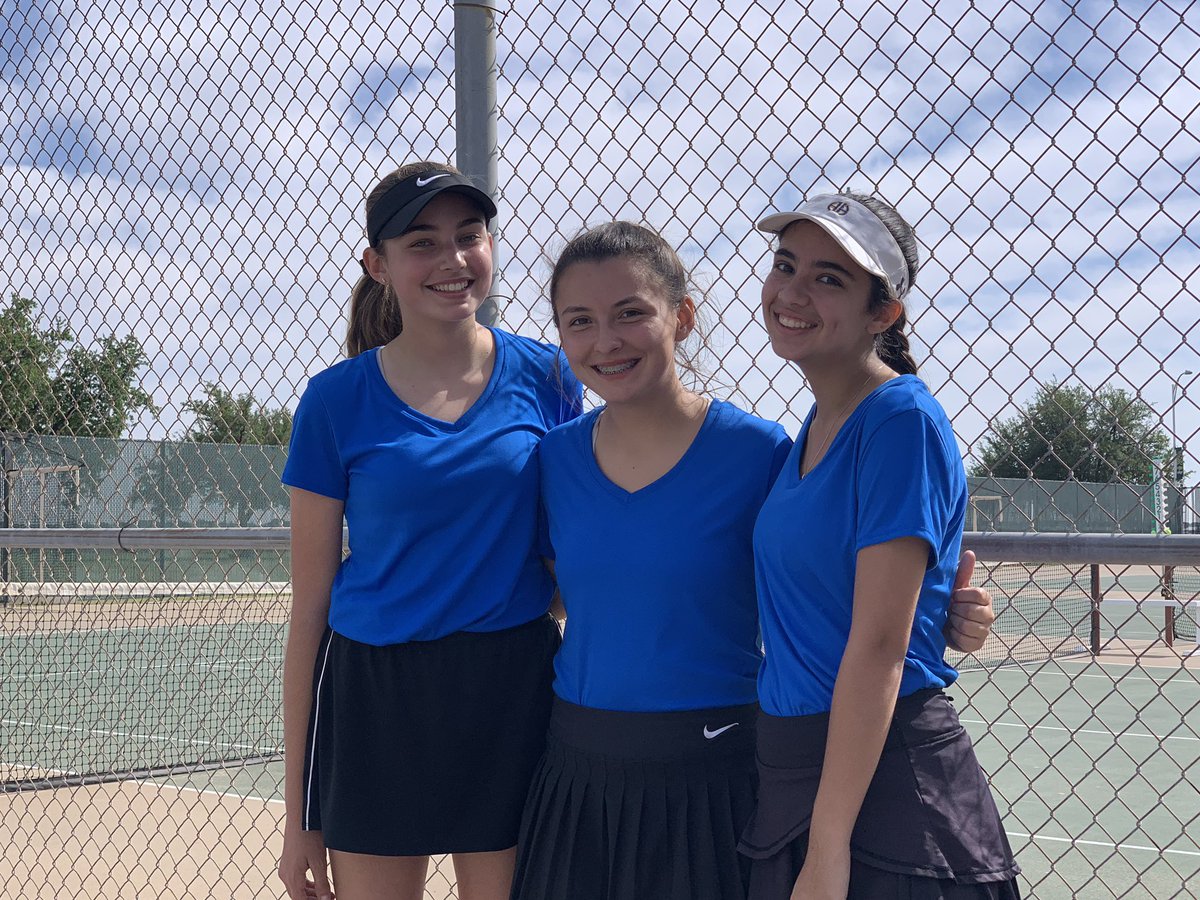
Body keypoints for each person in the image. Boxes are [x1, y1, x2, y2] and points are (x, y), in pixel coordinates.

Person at [509, 222, 997, 900]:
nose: (605, 341)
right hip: (580, 768)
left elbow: (837, 588)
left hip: (720, 765)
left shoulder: (765, 452)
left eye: (630, 314)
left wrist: (933, 610)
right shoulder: (553, 460)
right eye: (579, 321)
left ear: (681, 317)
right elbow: (563, 592)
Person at [277, 161, 581, 900]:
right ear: (379, 265)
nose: (452, 260)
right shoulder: (334, 402)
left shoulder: (550, 377)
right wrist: (299, 817)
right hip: (377, 697)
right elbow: (310, 611)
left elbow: (571, 544)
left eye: (468, 236)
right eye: (423, 243)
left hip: (511, 689)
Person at [740, 192, 1021, 899]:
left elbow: (878, 649)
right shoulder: (805, 432)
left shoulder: (900, 419)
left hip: (882, 780)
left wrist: (829, 850)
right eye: (786, 265)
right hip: (795, 767)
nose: (793, 292)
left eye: (829, 278)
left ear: (883, 313)